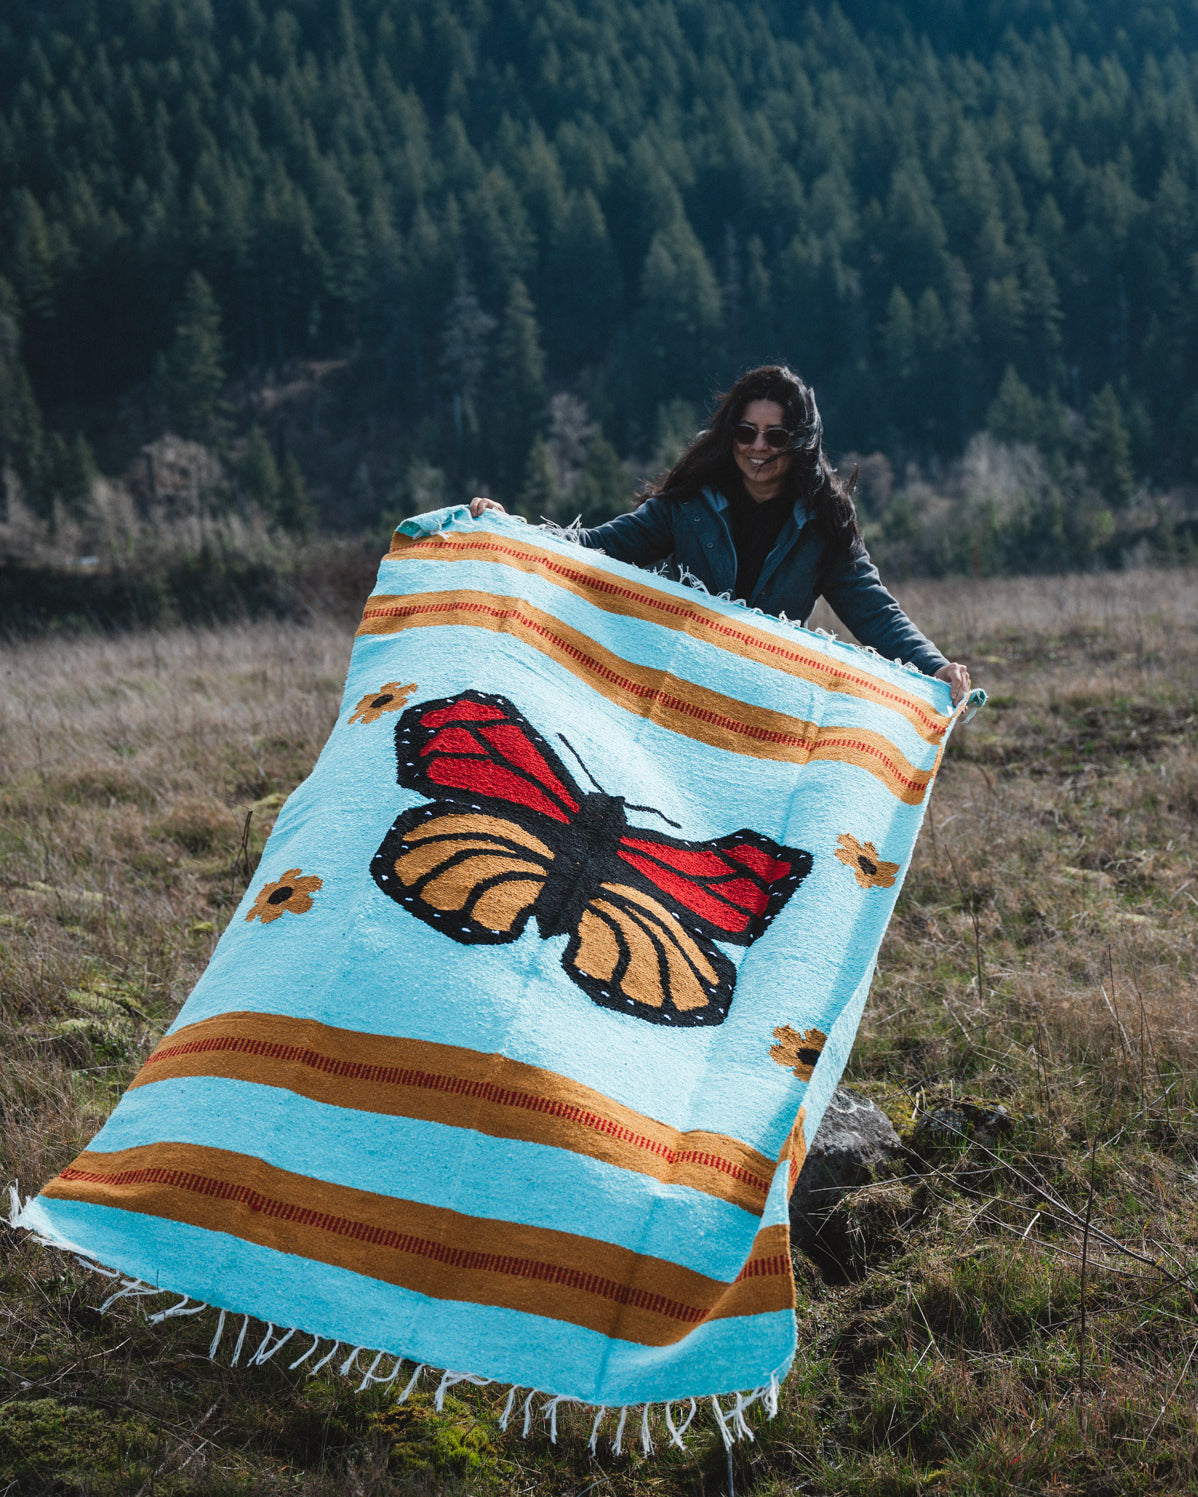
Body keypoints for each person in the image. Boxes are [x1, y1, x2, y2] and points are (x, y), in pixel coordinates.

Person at [469, 364, 971, 705]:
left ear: (800, 442)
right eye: (745, 432)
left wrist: (935, 668)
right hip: (669, 690)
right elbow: (595, 548)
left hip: (758, 706)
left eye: (776, 436)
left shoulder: (825, 527)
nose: (758, 447)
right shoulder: (687, 506)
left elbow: (876, 613)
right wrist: (507, 530)